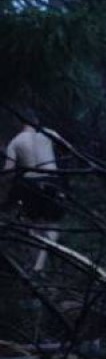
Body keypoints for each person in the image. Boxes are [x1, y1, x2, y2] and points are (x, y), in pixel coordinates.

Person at [4, 108, 62, 271]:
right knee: (52, 225)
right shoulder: (49, 133)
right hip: (52, 181)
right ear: (36, 121)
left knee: (33, 224)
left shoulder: (15, 142)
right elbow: (68, 149)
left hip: (30, 185)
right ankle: (40, 265)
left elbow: (8, 170)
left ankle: (34, 262)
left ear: (20, 124)